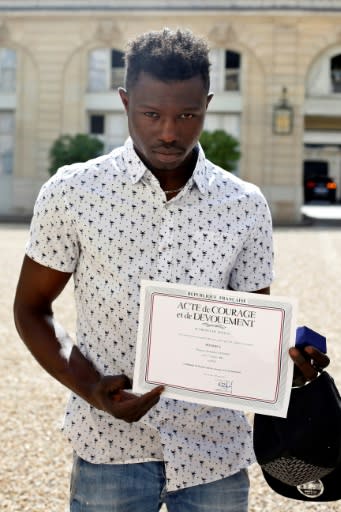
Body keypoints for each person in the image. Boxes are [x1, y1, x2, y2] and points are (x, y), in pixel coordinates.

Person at [13, 27, 329, 512]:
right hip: (109, 449)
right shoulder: (72, 193)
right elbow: (31, 308)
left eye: (187, 115)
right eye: (151, 114)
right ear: (124, 101)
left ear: (208, 103)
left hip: (215, 454)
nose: (168, 132)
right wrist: (91, 390)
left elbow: (251, 332)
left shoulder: (244, 206)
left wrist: (289, 365)